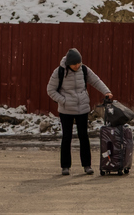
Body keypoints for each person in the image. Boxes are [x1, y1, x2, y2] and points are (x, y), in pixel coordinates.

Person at [47, 48, 112, 176]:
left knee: (84, 137)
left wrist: (106, 91)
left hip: (82, 109)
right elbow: (50, 90)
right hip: (66, 110)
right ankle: (65, 166)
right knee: (67, 137)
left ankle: (87, 165)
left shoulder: (84, 70)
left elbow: (96, 80)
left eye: (79, 63)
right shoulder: (59, 71)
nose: (77, 66)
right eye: (75, 64)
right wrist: (63, 100)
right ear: (68, 64)